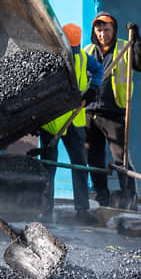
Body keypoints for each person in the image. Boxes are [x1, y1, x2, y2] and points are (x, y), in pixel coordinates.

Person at [38, 23, 102, 224]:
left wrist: (93, 88)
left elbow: (98, 70)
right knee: (49, 167)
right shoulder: (50, 59)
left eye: (75, 48)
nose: (72, 53)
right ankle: (45, 211)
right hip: (52, 123)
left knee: (79, 165)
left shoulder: (83, 57)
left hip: (75, 121)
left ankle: (82, 210)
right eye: (70, 48)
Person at [84, 12, 141, 211]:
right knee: (93, 158)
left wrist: (137, 41)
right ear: (95, 32)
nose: (103, 33)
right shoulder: (88, 50)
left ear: (114, 30)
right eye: (99, 30)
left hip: (114, 112)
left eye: (106, 29)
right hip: (89, 112)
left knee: (120, 158)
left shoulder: (124, 46)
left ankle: (130, 199)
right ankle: (102, 197)